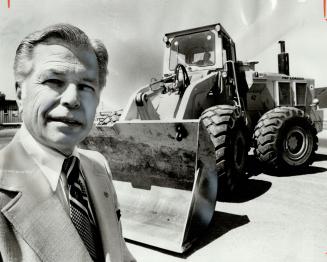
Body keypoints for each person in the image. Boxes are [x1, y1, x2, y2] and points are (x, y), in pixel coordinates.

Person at [0, 24, 136, 262]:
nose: (73, 99)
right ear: (20, 94)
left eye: (85, 86)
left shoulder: (98, 167)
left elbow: (120, 254)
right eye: (54, 81)